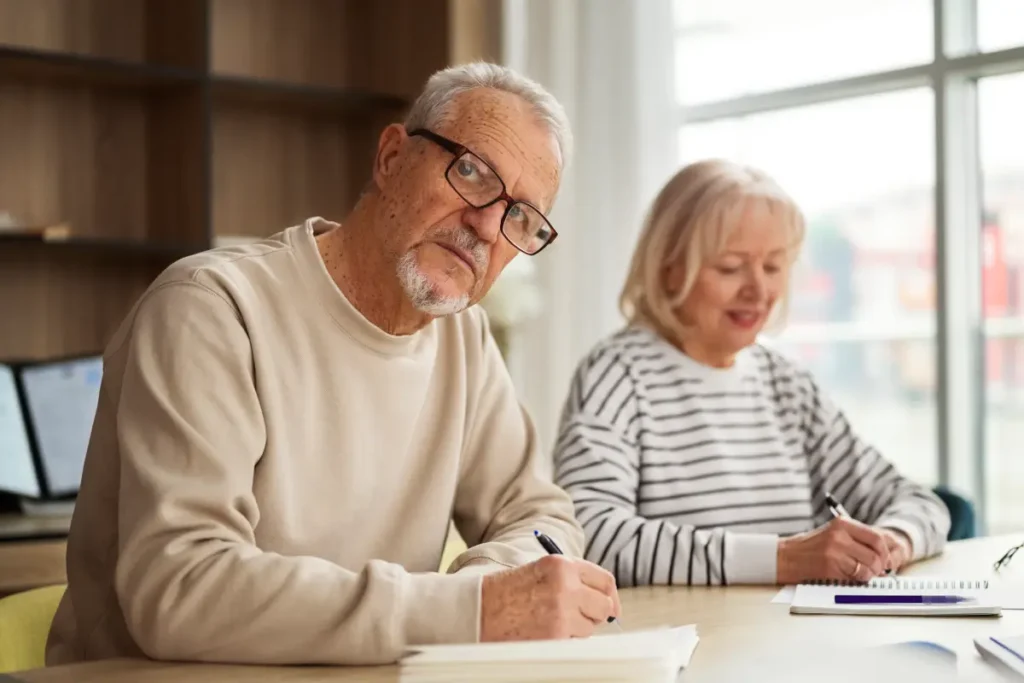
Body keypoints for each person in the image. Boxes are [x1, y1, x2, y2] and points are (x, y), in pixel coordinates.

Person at [47, 62, 620, 667]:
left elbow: (538, 517)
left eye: (520, 218)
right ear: (392, 157)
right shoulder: (211, 309)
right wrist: (469, 610)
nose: (485, 225)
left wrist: (492, 581)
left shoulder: (464, 338)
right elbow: (182, 589)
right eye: (472, 172)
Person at [553, 159, 951, 588]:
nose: (759, 290)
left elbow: (917, 502)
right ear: (669, 270)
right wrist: (784, 559)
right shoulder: (617, 376)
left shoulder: (787, 385)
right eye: (730, 267)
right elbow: (588, 533)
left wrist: (893, 542)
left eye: (774, 266)